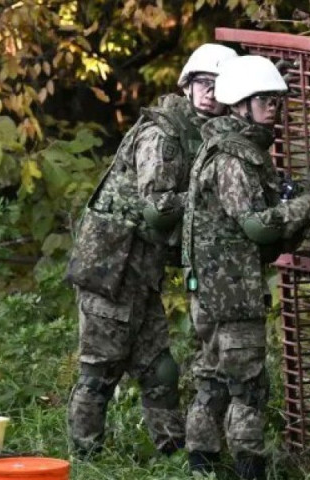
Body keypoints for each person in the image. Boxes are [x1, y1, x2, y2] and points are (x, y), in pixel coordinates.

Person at [65, 43, 237, 456]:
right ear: (188, 85)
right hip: (113, 263)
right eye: (203, 83)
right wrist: (209, 197)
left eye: (220, 86)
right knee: (100, 368)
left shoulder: (205, 131)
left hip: (141, 267)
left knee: (159, 367)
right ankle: (84, 455)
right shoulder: (165, 133)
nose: (210, 93)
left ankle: (171, 450)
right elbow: (158, 208)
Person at [181, 55, 310, 479]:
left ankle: (201, 464)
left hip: (214, 287)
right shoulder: (234, 157)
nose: (273, 109)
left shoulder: (229, 146)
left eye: (276, 101)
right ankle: (248, 468)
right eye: (265, 101)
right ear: (240, 105)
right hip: (230, 291)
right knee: (247, 385)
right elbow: (256, 226)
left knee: (215, 377)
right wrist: (303, 204)